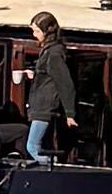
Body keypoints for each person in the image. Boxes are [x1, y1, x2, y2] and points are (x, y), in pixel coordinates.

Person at [23, 11, 76, 166]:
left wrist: (70, 113)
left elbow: (65, 83)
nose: (34, 35)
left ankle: (51, 167)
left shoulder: (54, 54)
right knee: (38, 145)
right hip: (40, 107)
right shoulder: (48, 50)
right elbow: (48, 77)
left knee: (32, 147)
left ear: (47, 32)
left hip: (44, 108)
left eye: (37, 31)